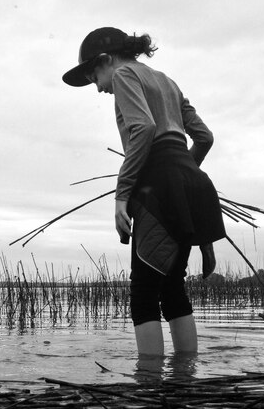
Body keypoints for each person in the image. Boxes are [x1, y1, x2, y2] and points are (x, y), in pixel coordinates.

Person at [62, 27, 226, 356]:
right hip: (192, 184)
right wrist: (183, 172)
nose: (97, 87)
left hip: (158, 189)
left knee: (144, 294)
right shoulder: (167, 81)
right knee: (172, 288)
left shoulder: (124, 74)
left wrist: (122, 194)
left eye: (94, 74)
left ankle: (149, 387)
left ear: (107, 60)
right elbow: (204, 137)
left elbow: (144, 128)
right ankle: (184, 379)